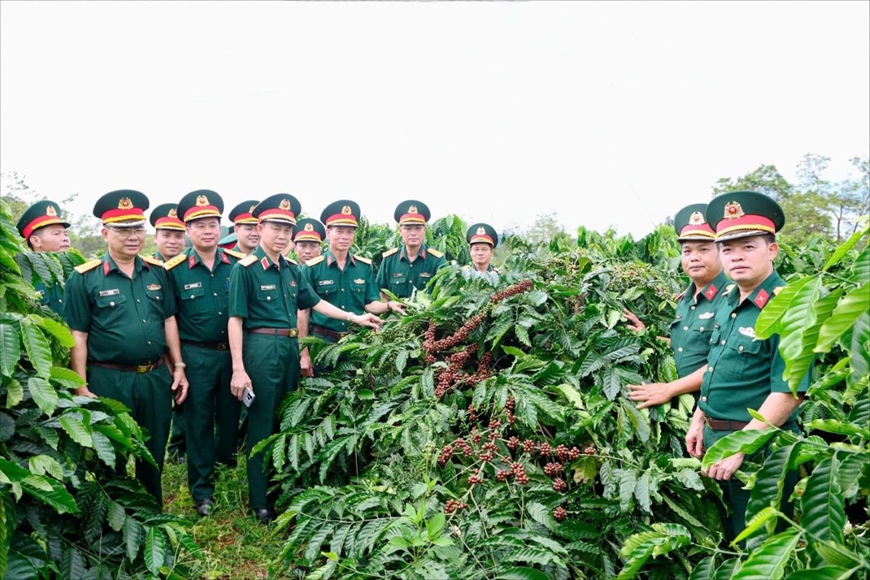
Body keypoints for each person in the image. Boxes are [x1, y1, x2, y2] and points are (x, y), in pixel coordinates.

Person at [227, 193, 382, 524]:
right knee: (261, 423)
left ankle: (277, 486)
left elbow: (315, 303)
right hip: (261, 349)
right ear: (260, 228)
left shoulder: (292, 270)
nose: (282, 235)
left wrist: (354, 318)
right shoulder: (246, 270)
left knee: (285, 420)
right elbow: (235, 320)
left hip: (288, 348)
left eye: (287, 229)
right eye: (276, 228)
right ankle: (260, 500)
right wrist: (238, 368)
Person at [685, 190, 808, 544]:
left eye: (748, 246)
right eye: (727, 249)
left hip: (759, 449)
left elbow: (789, 391)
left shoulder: (789, 307)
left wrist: (740, 446)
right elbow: (716, 364)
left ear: (772, 250)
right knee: (726, 538)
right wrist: (699, 418)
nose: (736, 256)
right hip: (716, 440)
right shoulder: (728, 300)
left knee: (757, 546)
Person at [63, 189, 189, 504]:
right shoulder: (85, 278)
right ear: (105, 233)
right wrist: (80, 385)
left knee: (154, 448)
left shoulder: (158, 272)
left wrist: (178, 367)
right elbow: (78, 335)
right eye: (123, 230)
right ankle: (115, 512)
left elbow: (169, 320)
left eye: (137, 229)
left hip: (155, 377)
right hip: (110, 378)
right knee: (113, 451)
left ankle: (150, 508)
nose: (132, 237)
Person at [164, 189, 245, 517]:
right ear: (188, 230)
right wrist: (178, 364)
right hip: (196, 355)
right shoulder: (173, 270)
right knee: (197, 422)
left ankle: (226, 469)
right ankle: (201, 490)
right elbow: (169, 319)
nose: (208, 231)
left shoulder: (238, 266)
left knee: (229, 416)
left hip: (232, 355)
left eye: (213, 224)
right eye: (200, 225)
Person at [625, 203, 729, 408]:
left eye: (703, 249)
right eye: (687, 251)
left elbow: (725, 361)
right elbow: (685, 345)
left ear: (722, 252)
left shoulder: (731, 298)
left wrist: (669, 389)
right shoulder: (685, 300)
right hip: (682, 405)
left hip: (711, 407)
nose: (694, 257)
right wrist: (646, 335)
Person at [298, 201, 404, 377]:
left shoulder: (363, 267)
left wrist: (388, 305)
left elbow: (369, 304)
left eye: (350, 232)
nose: (345, 237)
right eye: (339, 231)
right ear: (328, 232)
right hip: (322, 342)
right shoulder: (312, 268)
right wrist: (304, 353)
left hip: (356, 341)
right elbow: (303, 312)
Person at [376, 200, 446, 299]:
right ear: (400, 231)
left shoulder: (437, 260)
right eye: (408, 228)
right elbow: (382, 291)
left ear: (424, 230)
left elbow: (444, 292)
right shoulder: (389, 260)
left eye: (418, 228)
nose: (413, 233)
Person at [15, 200, 71, 314]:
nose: (65, 238)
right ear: (36, 241)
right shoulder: (20, 274)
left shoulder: (75, 271)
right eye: (57, 234)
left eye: (66, 234)